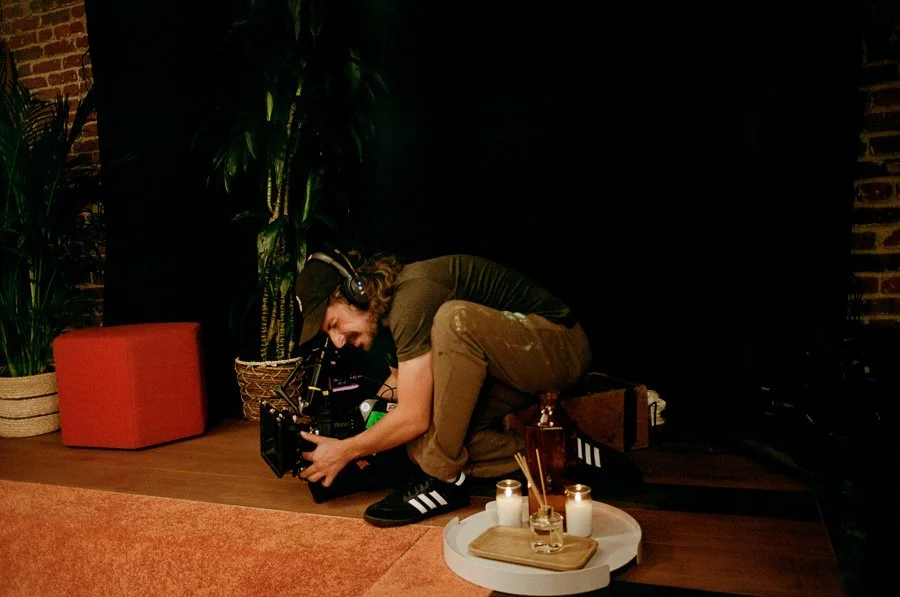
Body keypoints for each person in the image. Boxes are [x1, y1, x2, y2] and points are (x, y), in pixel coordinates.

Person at [294, 247, 592, 527]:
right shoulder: (386, 318)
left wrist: (345, 451)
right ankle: (560, 453)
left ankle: (443, 480)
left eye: (334, 324)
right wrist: (356, 430)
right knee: (431, 443)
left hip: (558, 347)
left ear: (356, 291)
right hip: (508, 372)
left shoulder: (412, 297)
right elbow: (398, 385)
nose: (338, 341)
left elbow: (413, 416)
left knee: (452, 320)